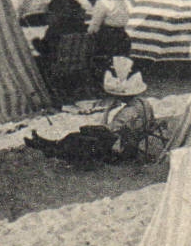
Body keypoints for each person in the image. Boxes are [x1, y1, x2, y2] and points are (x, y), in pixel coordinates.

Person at [23, 56, 156, 167]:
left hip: (118, 144)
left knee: (75, 138)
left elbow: (110, 130)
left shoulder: (128, 111)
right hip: (133, 135)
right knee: (76, 136)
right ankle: (45, 143)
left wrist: (93, 126)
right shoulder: (143, 103)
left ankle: (46, 146)